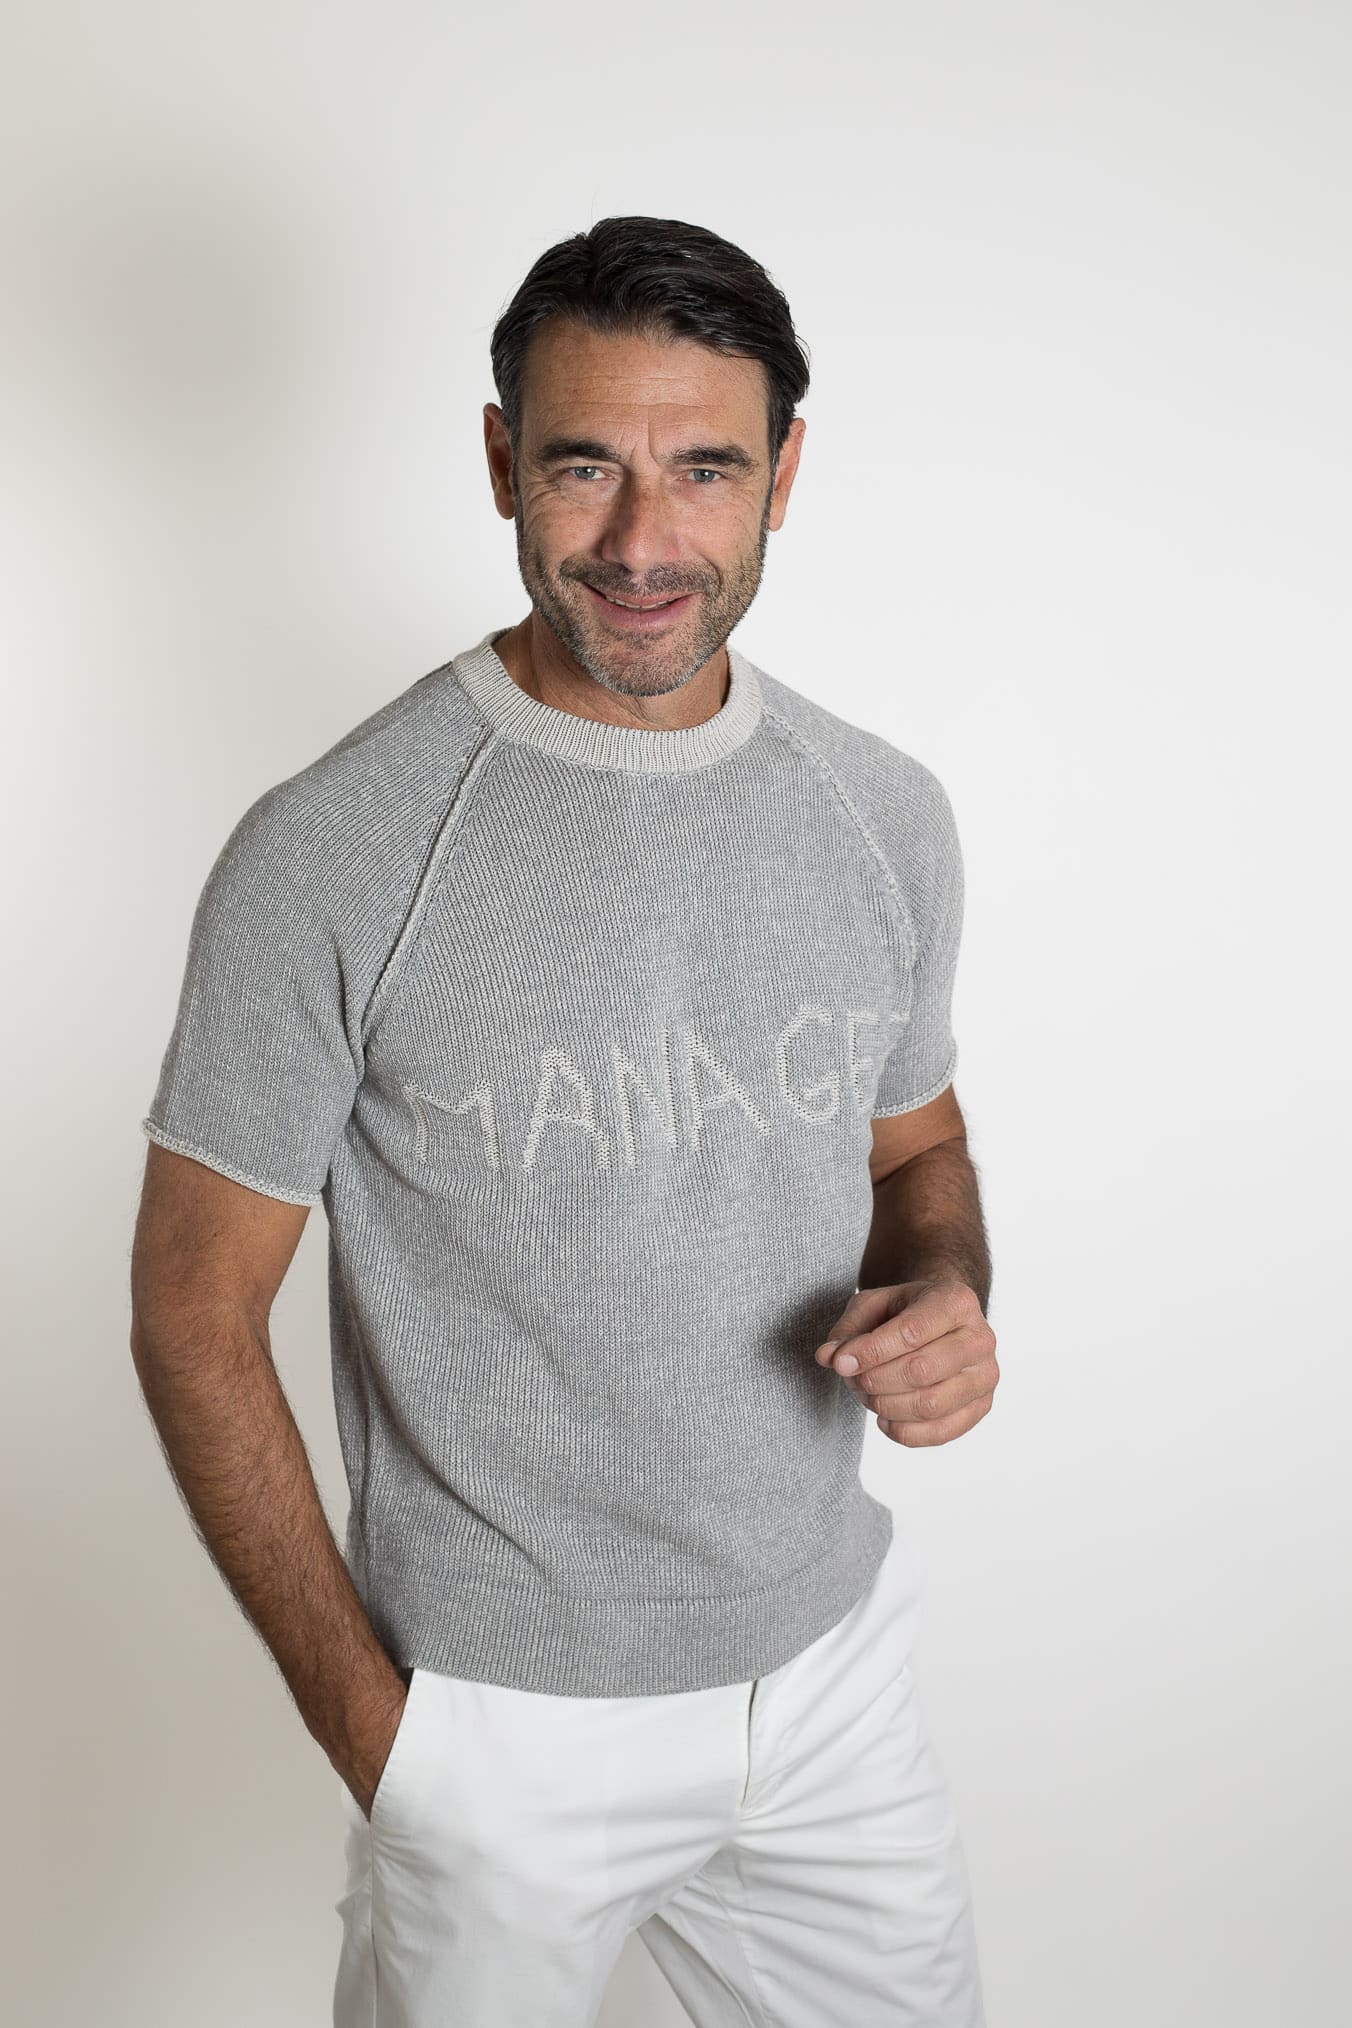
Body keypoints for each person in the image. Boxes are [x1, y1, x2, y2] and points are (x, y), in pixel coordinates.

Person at [129, 214, 999, 2027]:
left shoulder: (882, 812)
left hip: (831, 1685)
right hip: (499, 1730)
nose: (643, 543)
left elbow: (915, 1150)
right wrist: (389, 1745)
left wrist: (947, 1288)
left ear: (785, 476)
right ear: (501, 461)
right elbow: (193, 1314)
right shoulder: (334, 850)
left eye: (707, 471)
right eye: (586, 465)